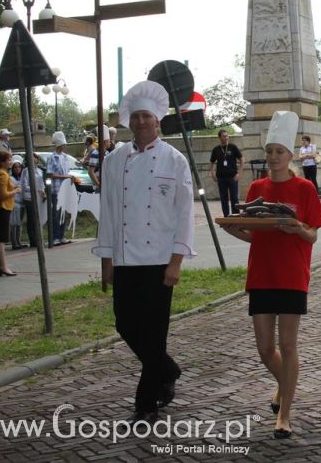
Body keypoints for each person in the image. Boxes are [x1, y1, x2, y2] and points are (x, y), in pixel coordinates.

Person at [92, 80, 196, 424]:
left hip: (159, 260)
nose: (140, 123)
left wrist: (176, 260)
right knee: (125, 324)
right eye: (135, 117)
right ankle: (168, 369)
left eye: (146, 117)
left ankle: (146, 401)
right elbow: (108, 211)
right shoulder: (115, 160)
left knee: (154, 331)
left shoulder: (174, 160)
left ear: (158, 121)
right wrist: (107, 260)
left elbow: (184, 214)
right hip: (124, 258)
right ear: (128, 121)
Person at [221, 110, 321, 439]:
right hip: (262, 273)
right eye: (269, 152)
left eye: (279, 152)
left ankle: (284, 413)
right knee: (265, 348)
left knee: (288, 345)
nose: (273, 157)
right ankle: (285, 384)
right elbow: (254, 233)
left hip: (293, 273)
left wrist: (295, 227)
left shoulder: (304, 188)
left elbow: (312, 235)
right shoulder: (256, 186)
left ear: (290, 155)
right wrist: (231, 228)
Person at [0, 151, 20, 276]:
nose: (10, 161)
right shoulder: (2, 174)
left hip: (0, 208)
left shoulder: (2, 173)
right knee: (0, 238)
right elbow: (2, 195)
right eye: (8, 159)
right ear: (2, 162)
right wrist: (15, 191)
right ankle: (3, 266)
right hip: (1, 208)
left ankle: (0, 265)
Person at [209, 130, 244, 217]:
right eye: (224, 136)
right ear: (220, 137)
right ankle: (226, 216)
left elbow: (242, 159)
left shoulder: (233, 147)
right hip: (221, 178)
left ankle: (236, 216)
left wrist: (239, 173)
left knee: (234, 198)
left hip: (232, 177)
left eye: (227, 136)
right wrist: (213, 173)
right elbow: (211, 162)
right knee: (223, 198)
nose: (226, 138)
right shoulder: (216, 149)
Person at [47, 131, 73, 245]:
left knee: (64, 213)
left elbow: (67, 172)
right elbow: (50, 174)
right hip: (56, 189)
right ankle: (55, 236)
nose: (65, 146)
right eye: (63, 144)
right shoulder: (52, 158)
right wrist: (65, 176)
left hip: (66, 189)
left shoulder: (65, 157)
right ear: (59, 145)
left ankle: (62, 235)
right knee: (56, 214)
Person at [21, 152, 46, 248]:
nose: (34, 159)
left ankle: (39, 238)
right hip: (29, 197)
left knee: (38, 218)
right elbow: (25, 185)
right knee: (31, 219)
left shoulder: (40, 170)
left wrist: (43, 192)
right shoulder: (25, 171)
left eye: (35, 157)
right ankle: (33, 240)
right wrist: (36, 190)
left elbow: (42, 183)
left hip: (39, 197)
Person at [87, 126, 110, 192]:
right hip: (99, 187)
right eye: (108, 141)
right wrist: (99, 185)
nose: (110, 142)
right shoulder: (95, 153)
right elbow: (90, 171)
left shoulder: (107, 153)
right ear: (105, 142)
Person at [9, 155, 25, 250]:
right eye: (15, 167)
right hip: (14, 203)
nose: (17, 169)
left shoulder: (22, 178)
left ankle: (19, 241)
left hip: (22, 202)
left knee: (20, 223)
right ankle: (14, 242)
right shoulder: (11, 178)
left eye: (19, 167)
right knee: (13, 223)